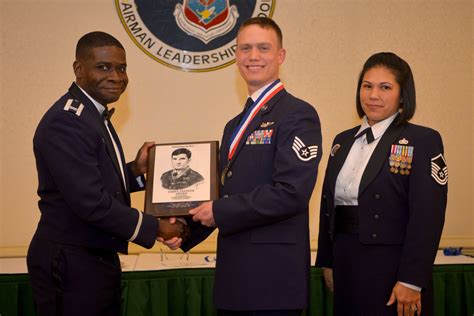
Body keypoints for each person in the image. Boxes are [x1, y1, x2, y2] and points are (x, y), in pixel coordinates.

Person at [162, 17, 322, 315]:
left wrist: (219, 212)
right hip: (234, 280)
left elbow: (290, 193)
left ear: (280, 56)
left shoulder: (298, 115)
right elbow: (223, 194)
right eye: (245, 48)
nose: (253, 56)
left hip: (273, 283)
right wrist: (184, 230)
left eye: (263, 48)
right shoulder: (233, 125)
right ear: (236, 56)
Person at [27, 31, 182, 316]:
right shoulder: (67, 121)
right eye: (103, 67)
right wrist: (156, 228)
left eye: (121, 68)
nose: (116, 76)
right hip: (71, 263)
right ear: (79, 69)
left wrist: (136, 170)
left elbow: (96, 179)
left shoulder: (91, 114)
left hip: (91, 257)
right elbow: (91, 201)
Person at [315, 52, 447, 316]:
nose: (373, 95)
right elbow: (328, 206)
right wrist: (327, 261)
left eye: (385, 87)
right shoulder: (342, 141)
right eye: (367, 86)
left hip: (392, 270)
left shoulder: (422, 140)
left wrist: (411, 279)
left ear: (402, 94)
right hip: (346, 263)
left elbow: (427, 216)